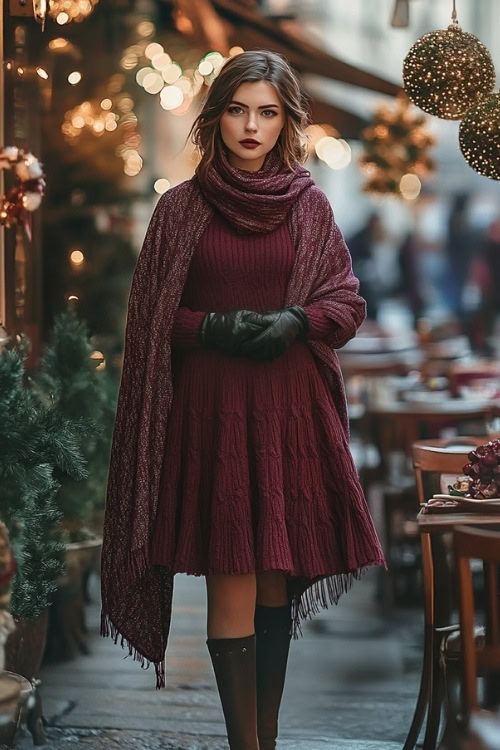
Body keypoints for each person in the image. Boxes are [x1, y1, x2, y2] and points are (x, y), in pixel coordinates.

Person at [100, 50, 385, 750]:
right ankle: (244, 746)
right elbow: (150, 318)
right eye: (237, 110)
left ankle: (266, 739)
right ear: (216, 115)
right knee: (231, 575)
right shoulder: (180, 209)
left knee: (273, 586)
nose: (251, 126)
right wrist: (211, 327)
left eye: (266, 112)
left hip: (289, 416)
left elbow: (346, 302)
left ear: (286, 120)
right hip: (214, 415)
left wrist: (299, 322)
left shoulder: (310, 206)